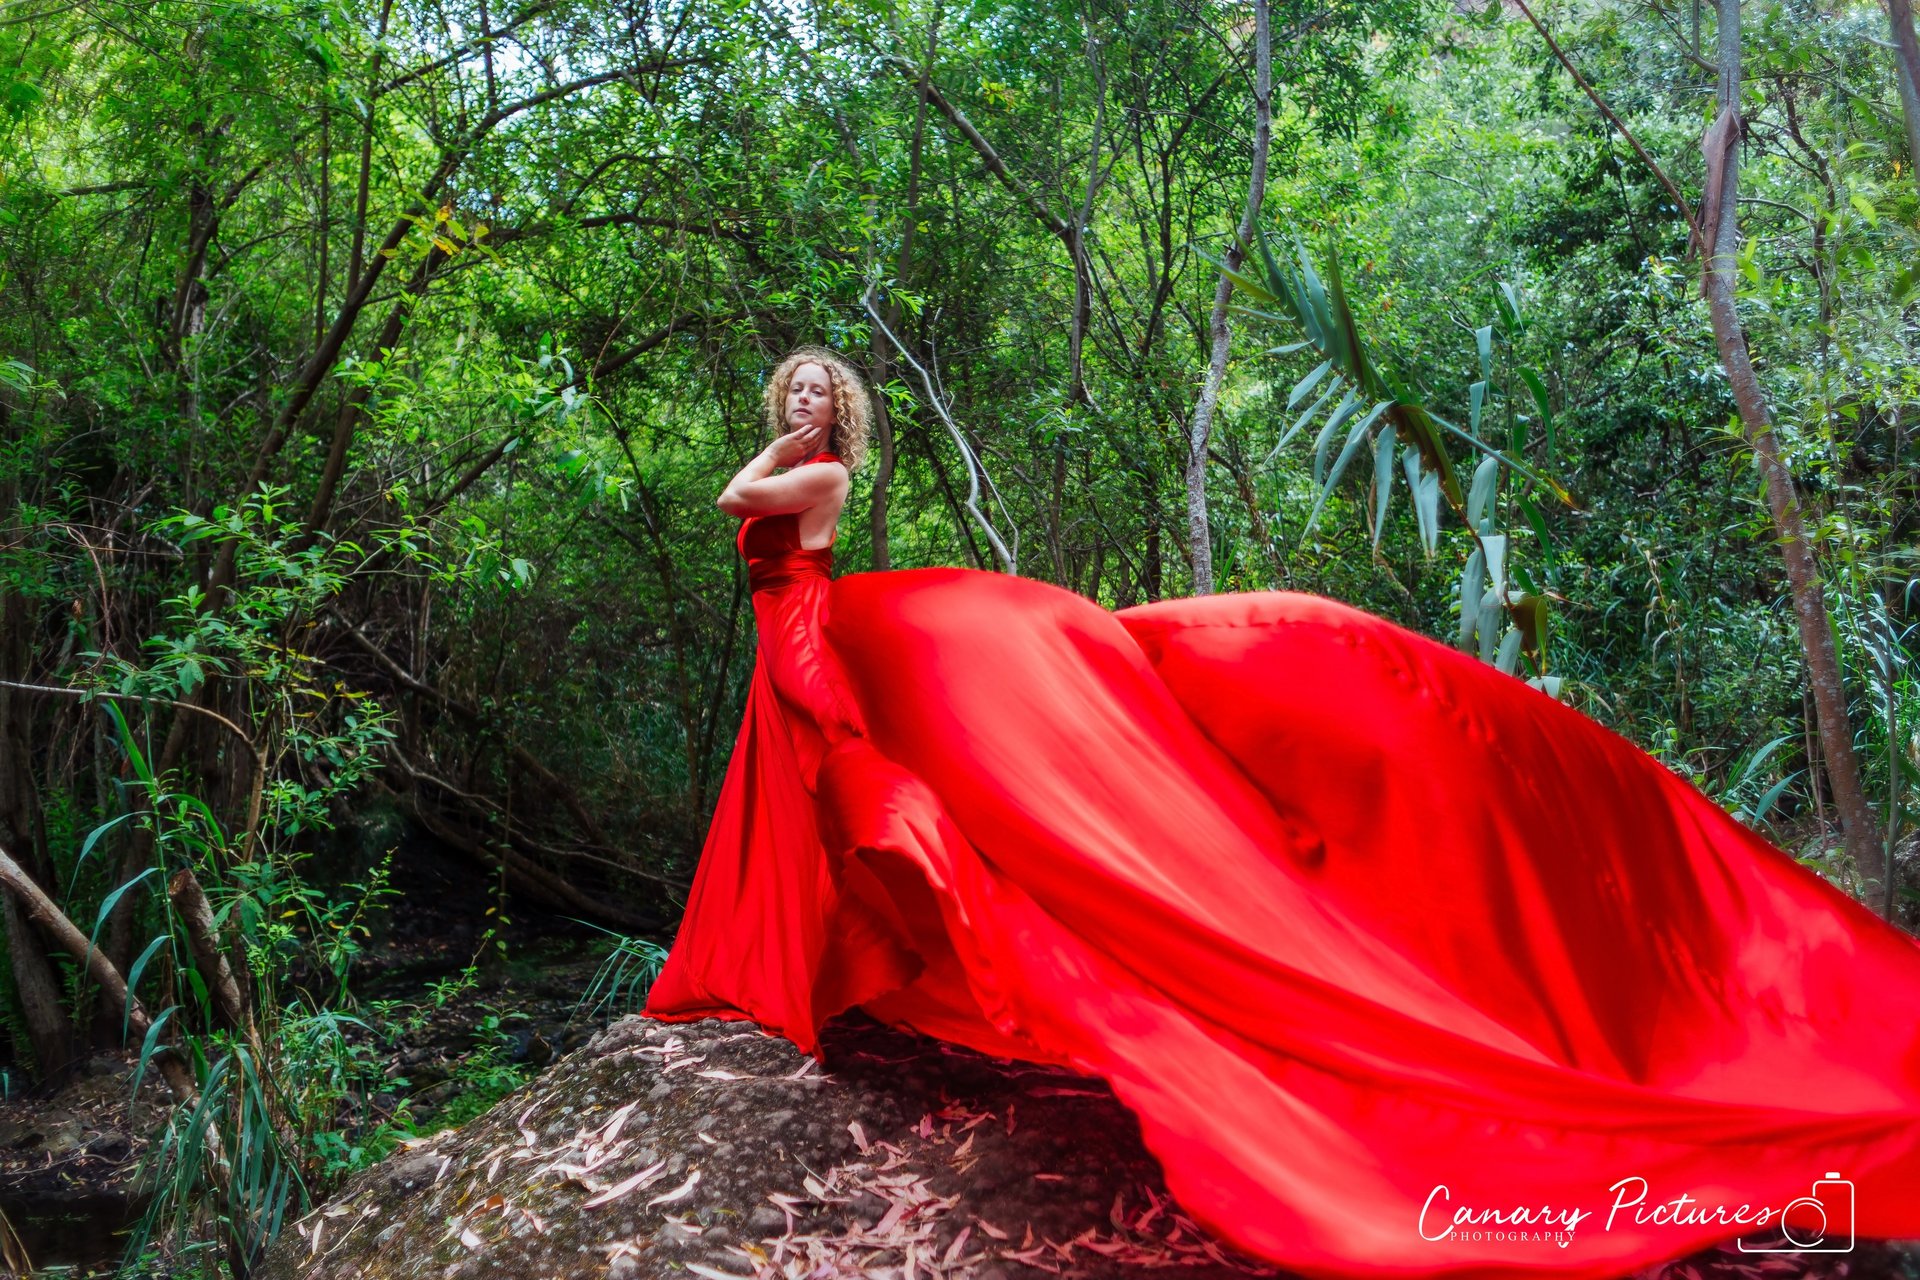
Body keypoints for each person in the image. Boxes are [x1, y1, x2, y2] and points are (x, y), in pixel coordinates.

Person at [643, 345, 1920, 1279]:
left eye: (819, 395)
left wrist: (788, 446)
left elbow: (735, 504)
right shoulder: (808, 466)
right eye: (792, 393)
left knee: (856, 776)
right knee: (809, 786)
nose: (804, 407)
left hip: (810, 631)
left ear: (842, 416)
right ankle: (799, 959)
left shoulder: (814, 476)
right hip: (798, 632)